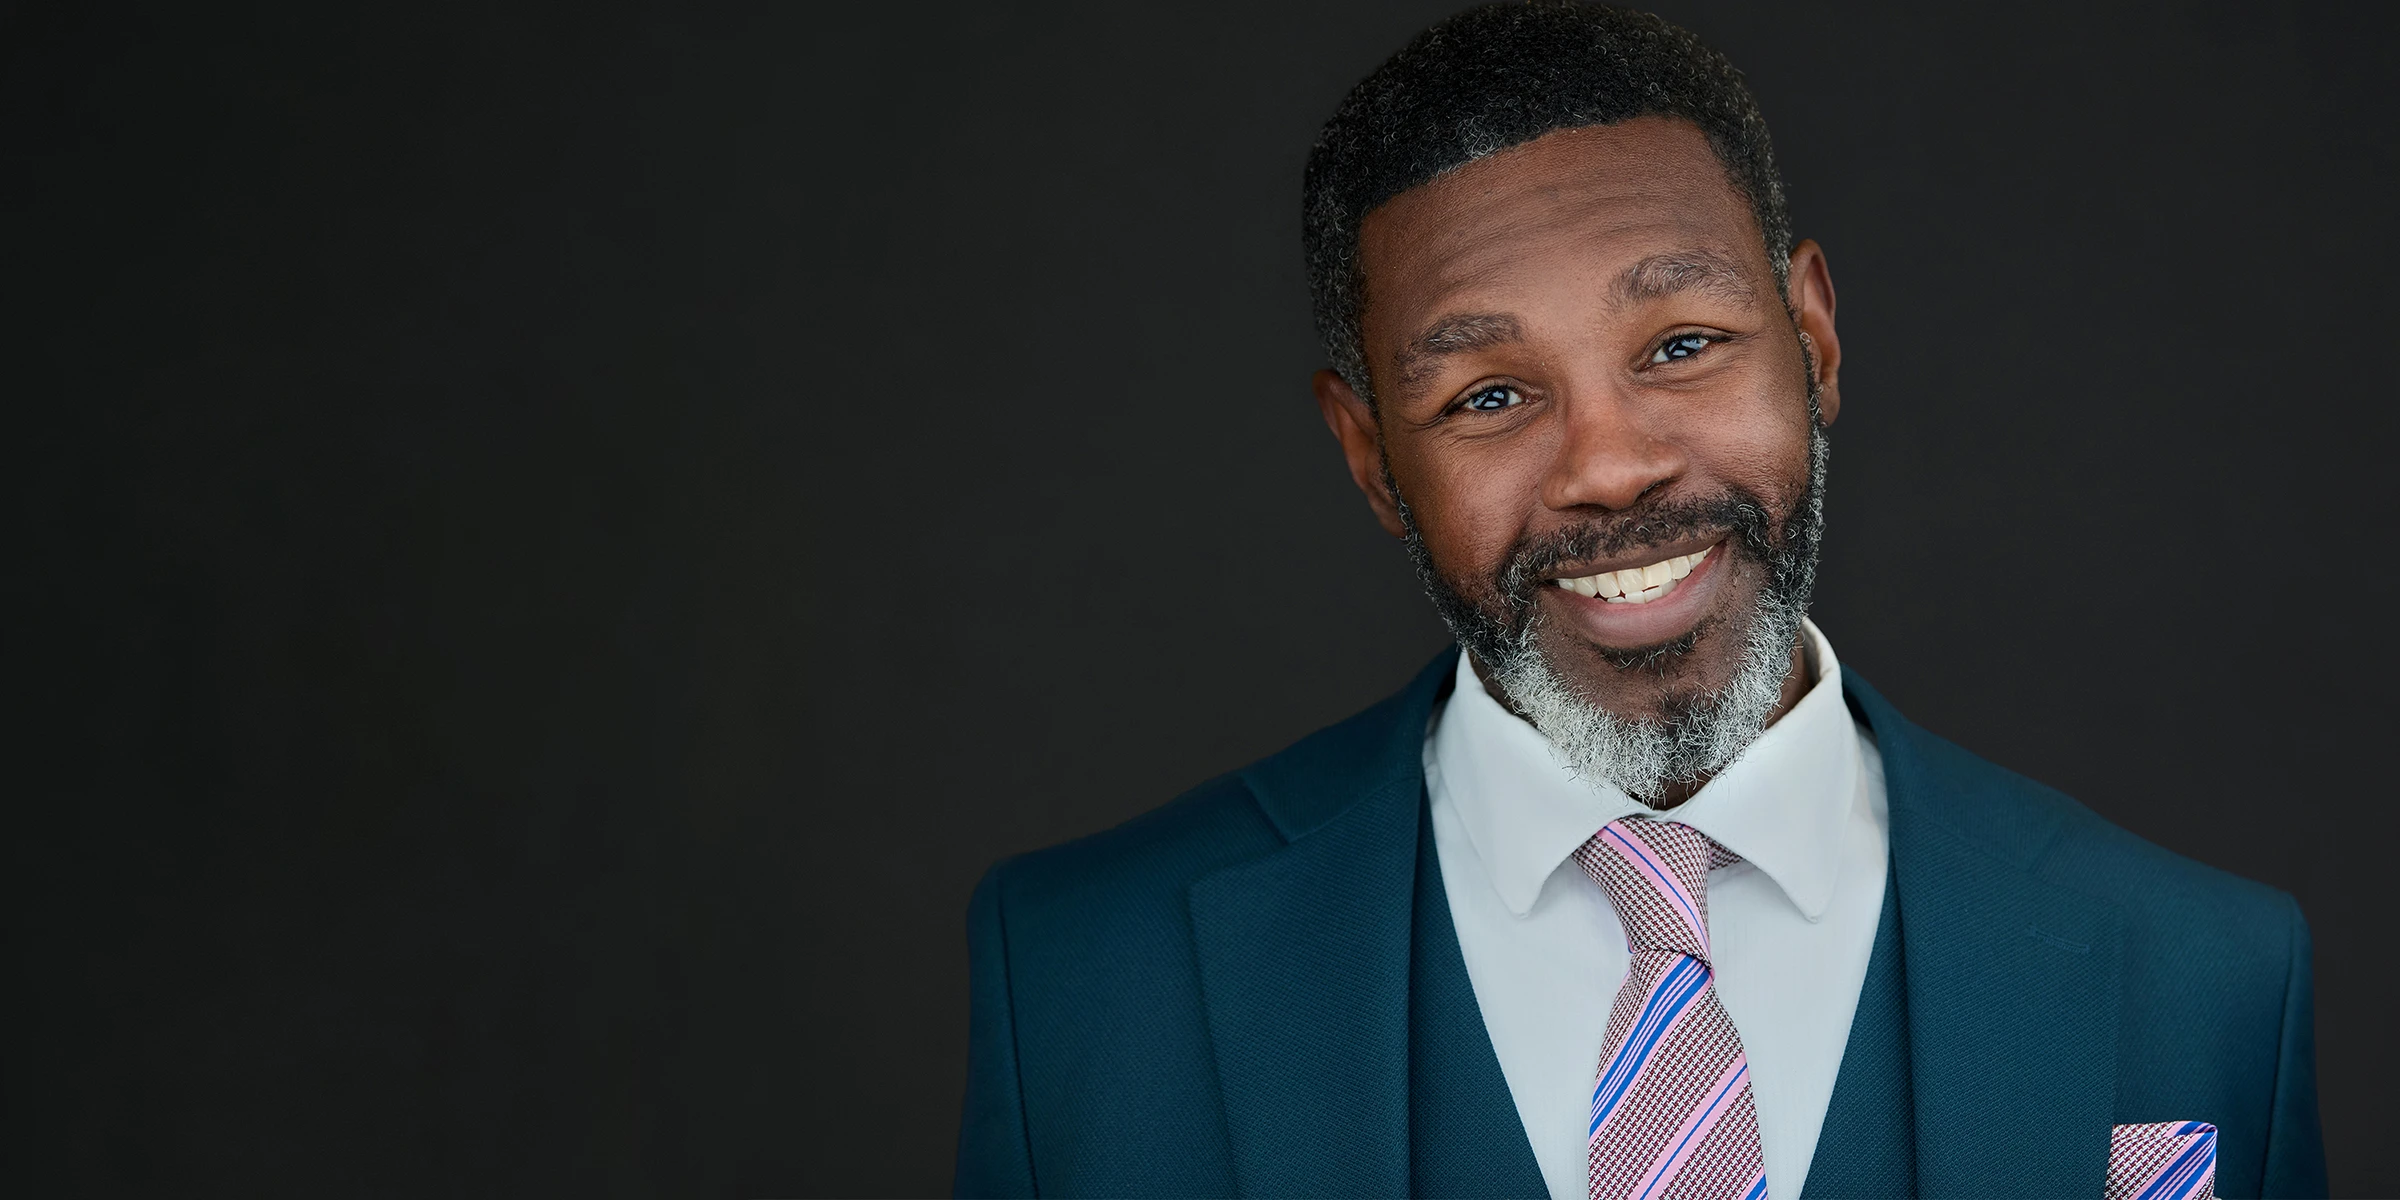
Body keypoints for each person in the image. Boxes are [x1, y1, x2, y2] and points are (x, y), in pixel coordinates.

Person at [952, 4, 2326, 1197]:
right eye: (1488, 394)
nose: (1609, 467)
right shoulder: (1082, 976)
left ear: (1816, 337)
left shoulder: (2204, 977)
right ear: (1373, 456)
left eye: (1681, 344)